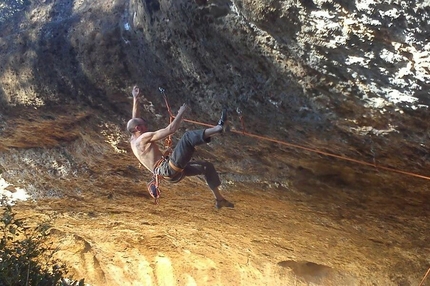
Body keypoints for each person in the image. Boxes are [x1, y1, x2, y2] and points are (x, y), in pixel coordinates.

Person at [127, 86, 234, 209]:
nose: (146, 126)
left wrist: (136, 98)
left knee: (206, 167)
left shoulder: (133, 139)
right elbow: (171, 129)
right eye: (144, 125)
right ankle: (219, 128)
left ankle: (219, 200)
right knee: (187, 137)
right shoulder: (143, 138)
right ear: (138, 129)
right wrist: (181, 112)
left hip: (170, 174)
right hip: (168, 169)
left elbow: (134, 120)